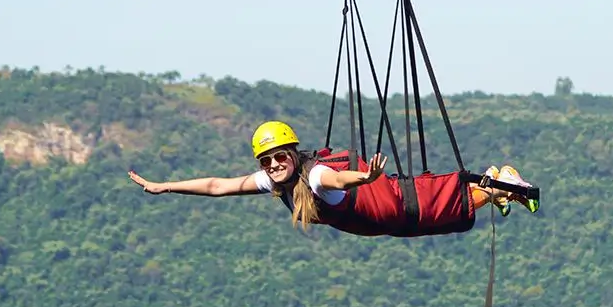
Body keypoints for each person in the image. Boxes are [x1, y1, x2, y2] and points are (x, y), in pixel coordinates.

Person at [127, 120, 538, 236]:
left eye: (279, 156)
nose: (272, 165)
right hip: (386, 220)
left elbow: (336, 182)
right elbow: (220, 186)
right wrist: (165, 186)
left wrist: (365, 177)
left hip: (392, 206)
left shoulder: (314, 175)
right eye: (266, 161)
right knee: (445, 214)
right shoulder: (277, 182)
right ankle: (495, 186)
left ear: (293, 153)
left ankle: (503, 181)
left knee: (441, 209)